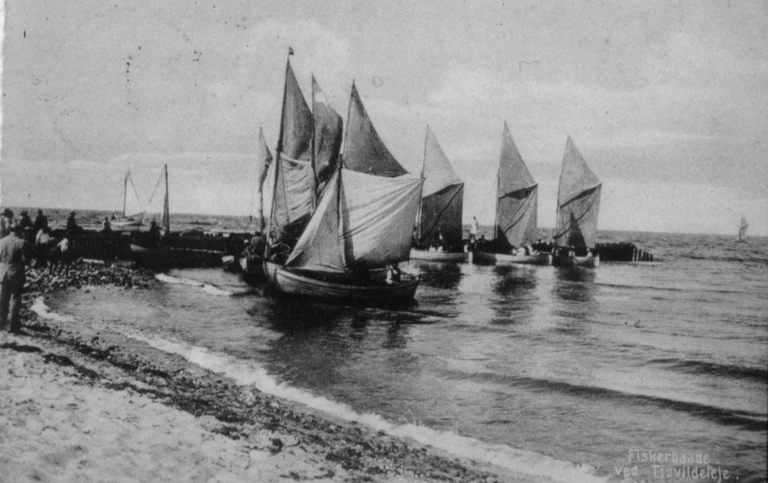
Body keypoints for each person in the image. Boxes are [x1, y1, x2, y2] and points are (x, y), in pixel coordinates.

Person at [0, 225, 29, 333]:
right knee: (16, 298)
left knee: (3, 299)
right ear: (19, 230)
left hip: (3, 272)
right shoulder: (21, 242)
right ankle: (14, 327)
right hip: (16, 273)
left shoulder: (1, 241)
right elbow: (26, 258)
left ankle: (1, 323)